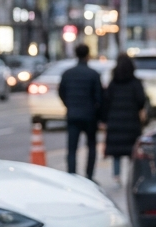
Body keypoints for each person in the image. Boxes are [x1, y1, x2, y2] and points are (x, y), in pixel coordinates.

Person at [58, 44, 104, 179]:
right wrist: (99, 114)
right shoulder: (93, 74)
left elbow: (61, 92)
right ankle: (89, 176)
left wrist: (69, 105)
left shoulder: (68, 73)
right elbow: (99, 97)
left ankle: (72, 175)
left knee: (71, 148)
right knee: (91, 146)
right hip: (90, 115)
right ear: (88, 55)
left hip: (73, 114)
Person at [102, 54, 147, 181]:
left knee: (116, 151)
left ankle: (116, 175)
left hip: (115, 120)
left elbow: (106, 101)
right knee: (131, 150)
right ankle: (131, 174)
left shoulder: (113, 83)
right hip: (131, 120)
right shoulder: (135, 83)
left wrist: (105, 119)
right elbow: (141, 100)